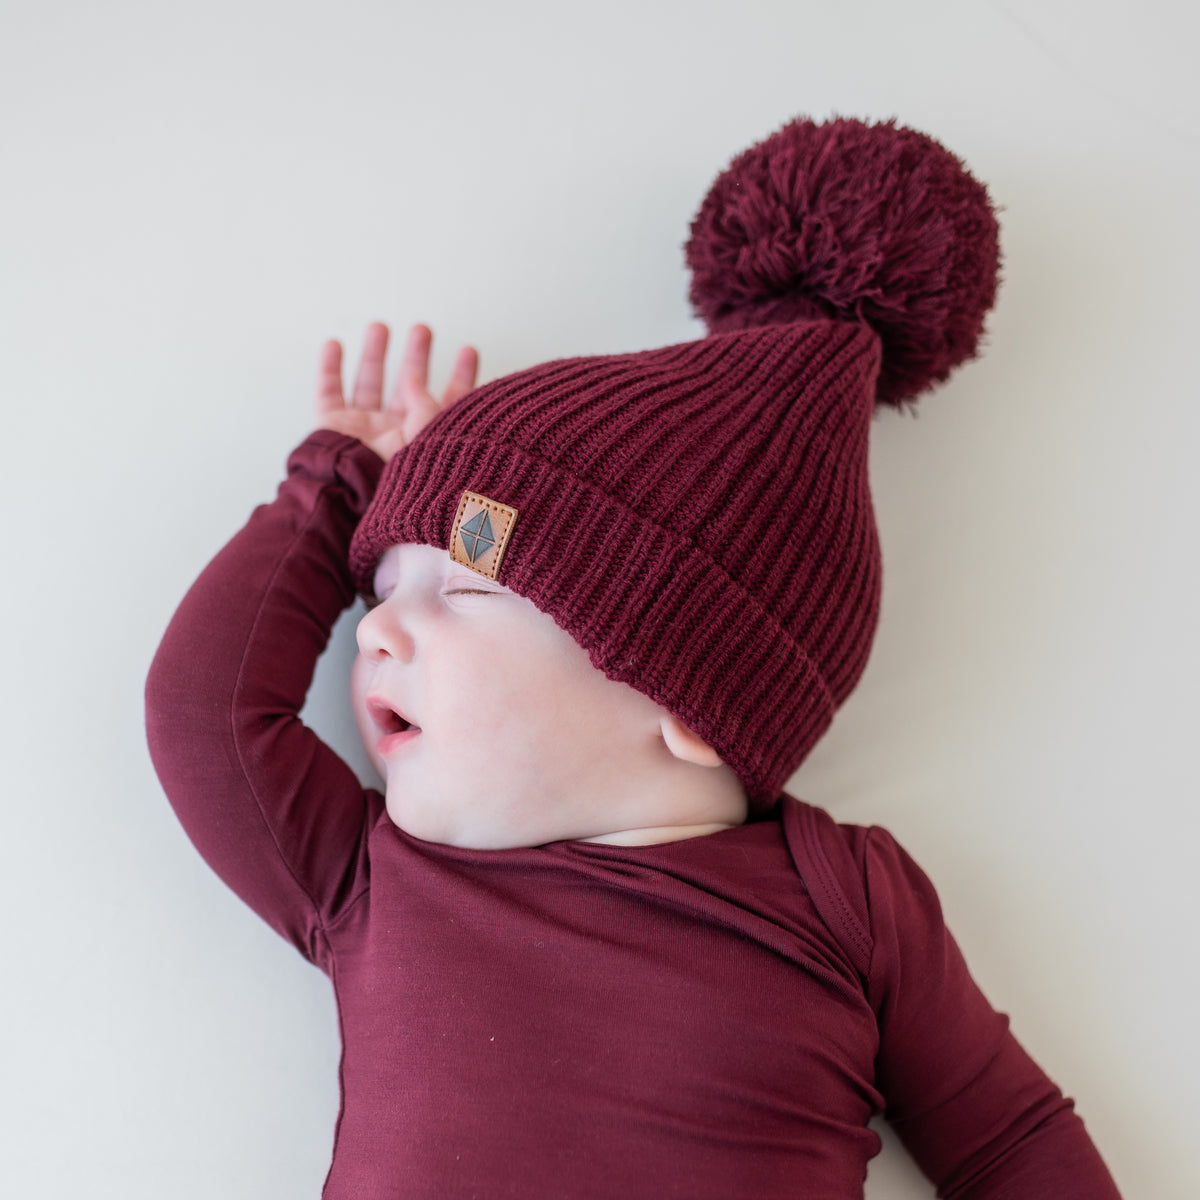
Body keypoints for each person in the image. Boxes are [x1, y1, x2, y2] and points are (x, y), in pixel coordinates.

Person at [145, 115, 1122, 1198]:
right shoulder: (379, 880)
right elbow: (208, 715)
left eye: (465, 587)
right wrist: (332, 495)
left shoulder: (843, 900)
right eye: (378, 591)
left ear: (685, 699)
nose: (372, 631)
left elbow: (1006, 1141)